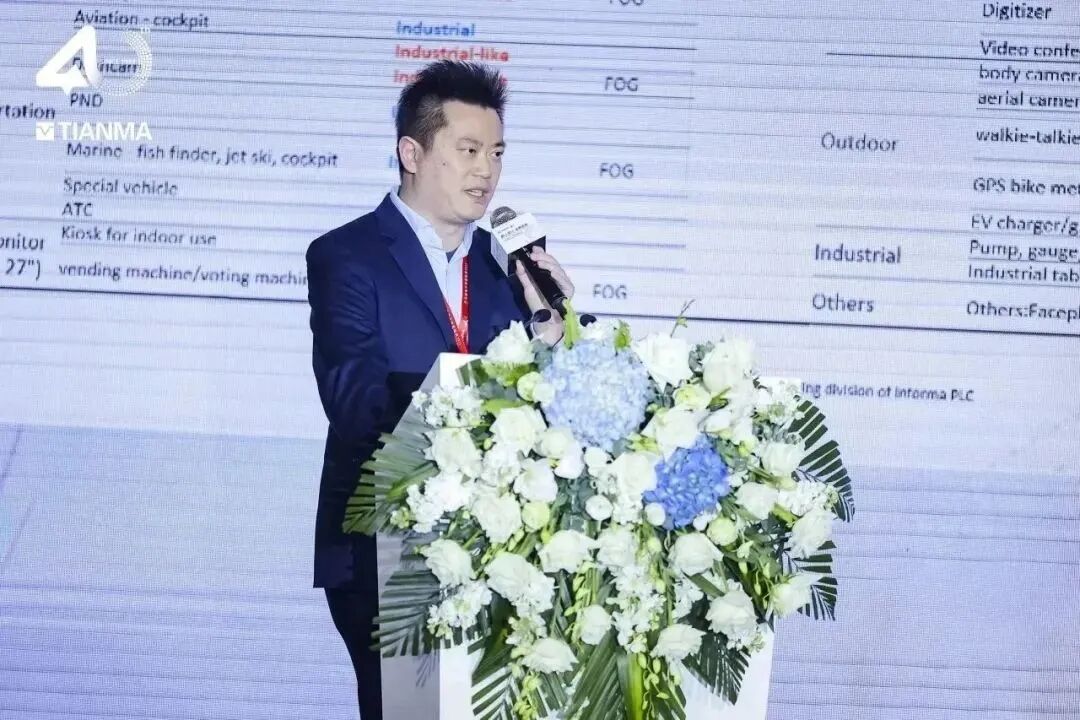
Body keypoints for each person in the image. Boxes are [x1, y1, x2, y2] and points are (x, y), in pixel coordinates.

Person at [304, 60, 575, 720]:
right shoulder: (346, 255)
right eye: (469, 150)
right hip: (384, 548)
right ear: (412, 153)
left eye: (497, 153)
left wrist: (552, 323)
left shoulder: (506, 268)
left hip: (505, 550)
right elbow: (354, 398)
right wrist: (474, 396)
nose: (487, 171)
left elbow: (556, 399)